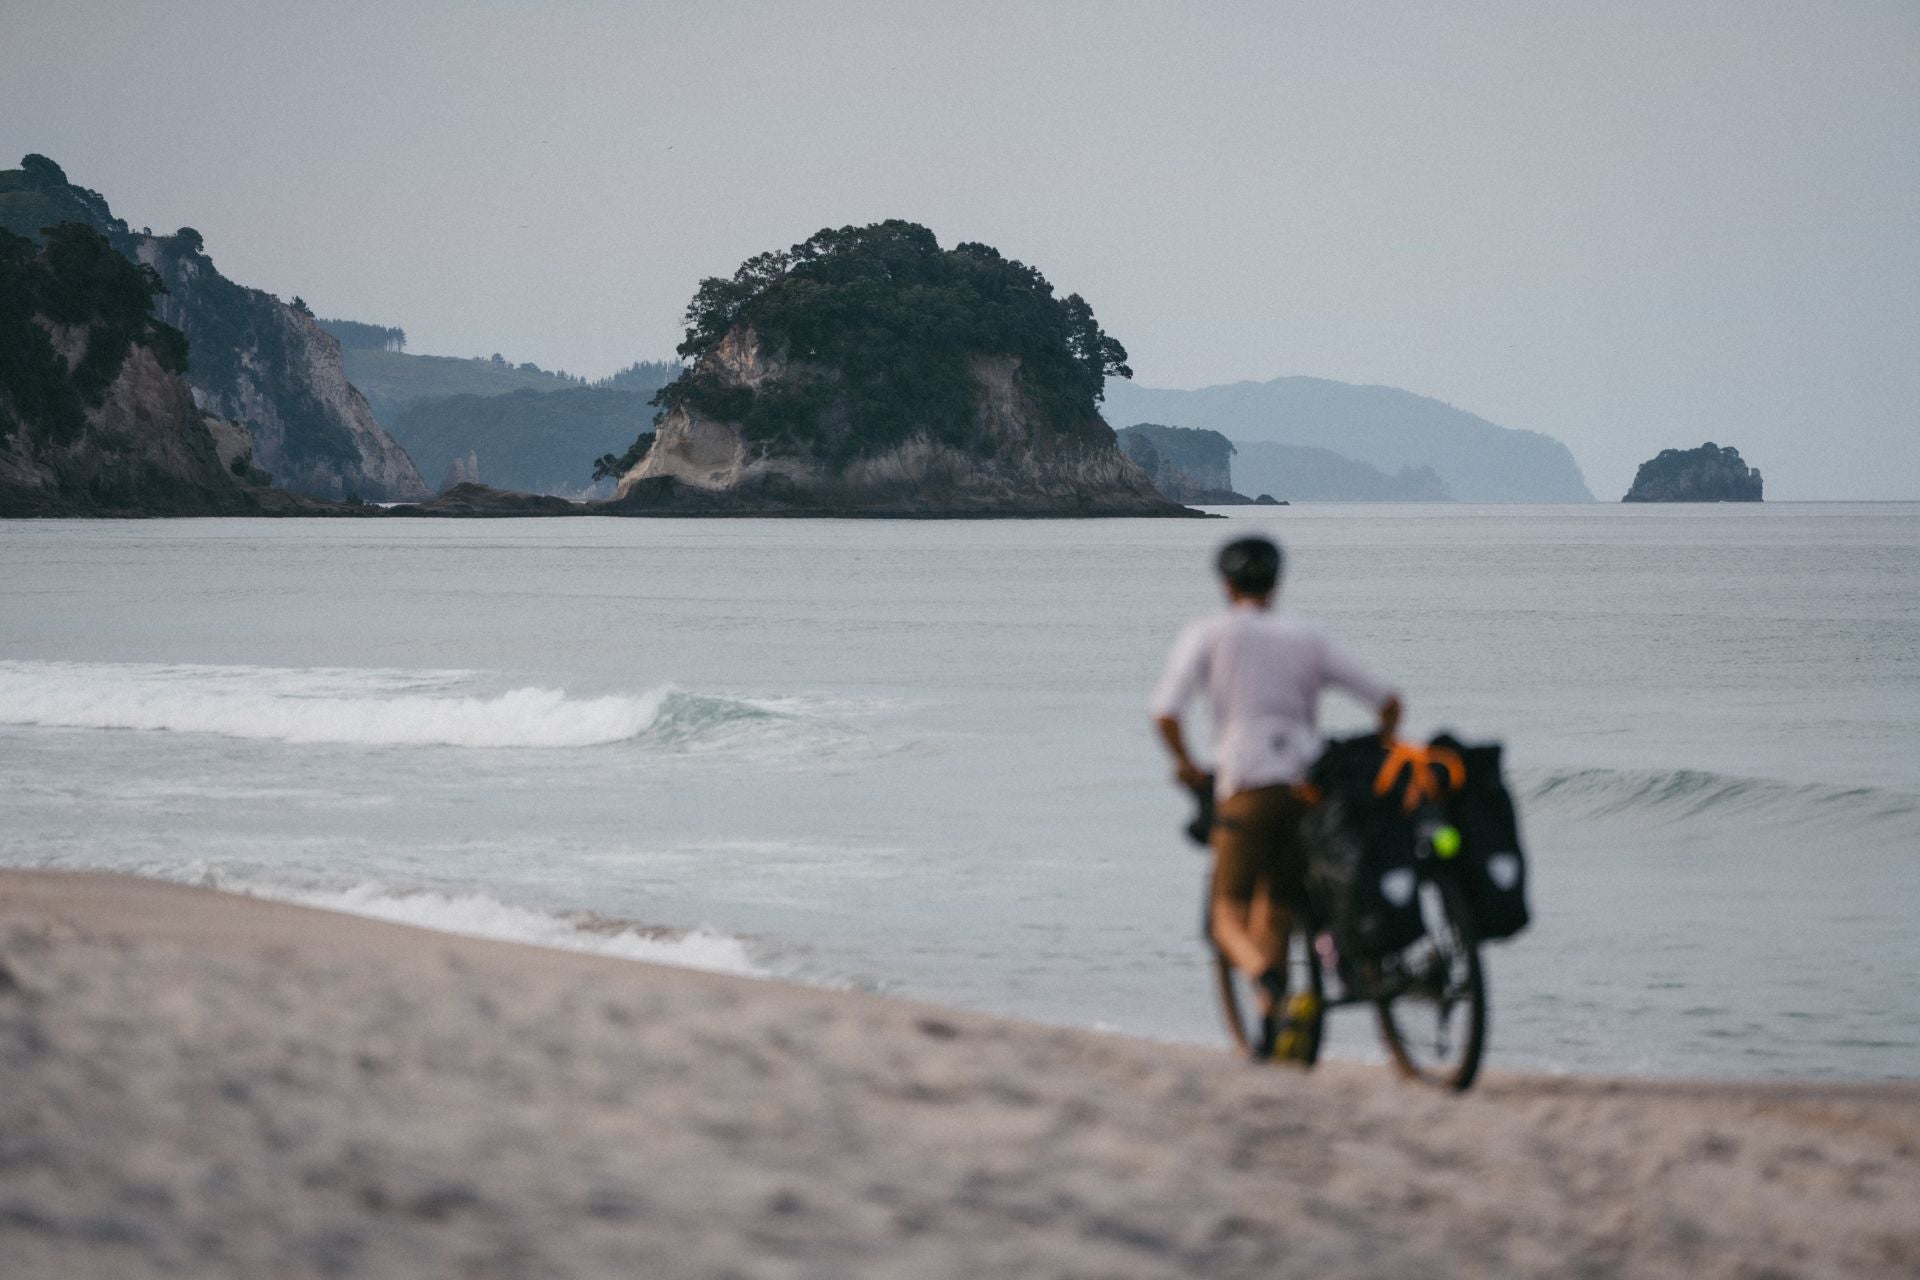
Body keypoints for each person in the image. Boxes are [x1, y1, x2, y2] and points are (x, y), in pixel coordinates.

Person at [1150, 535, 1402, 1060]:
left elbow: (1166, 713)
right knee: (1277, 909)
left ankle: (1267, 983)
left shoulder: (1208, 632)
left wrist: (1185, 764)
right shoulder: (1306, 636)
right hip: (1307, 791)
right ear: (1277, 583)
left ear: (1225, 585)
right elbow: (1387, 700)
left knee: (1226, 912)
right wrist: (1381, 748)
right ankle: (1275, 1028)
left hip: (1246, 786)